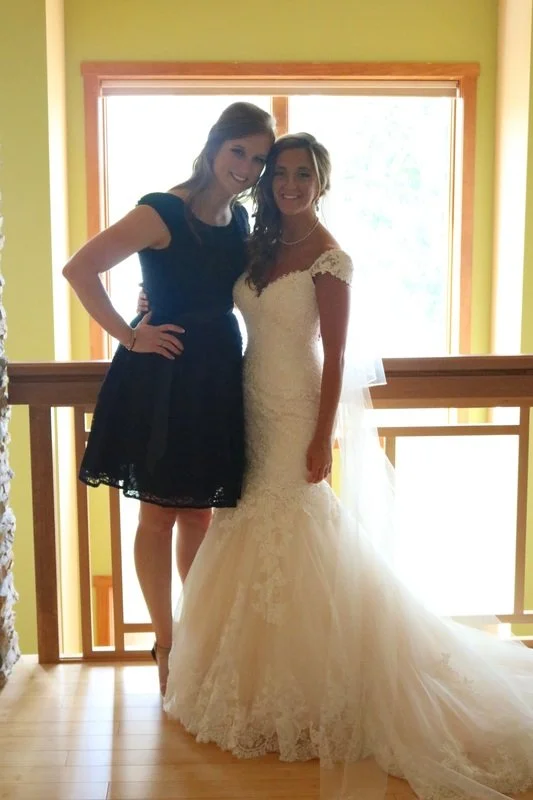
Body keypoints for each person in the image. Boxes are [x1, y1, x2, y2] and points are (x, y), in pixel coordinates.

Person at [163, 133, 533, 800]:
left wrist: (321, 437)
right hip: (247, 401)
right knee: (242, 521)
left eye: (303, 175)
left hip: (296, 408)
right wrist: (148, 306)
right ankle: (247, 681)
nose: (289, 184)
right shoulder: (259, 244)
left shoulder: (330, 258)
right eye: (280, 173)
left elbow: (335, 356)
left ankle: (316, 688)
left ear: (321, 183)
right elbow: (203, 289)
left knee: (297, 525)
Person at [63, 102, 275, 694]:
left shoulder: (238, 218)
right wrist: (130, 334)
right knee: (157, 516)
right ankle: (166, 643)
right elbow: (79, 269)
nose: (247, 167)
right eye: (239, 151)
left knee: (200, 513)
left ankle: (196, 637)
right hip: (164, 372)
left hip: (216, 372)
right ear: (214, 146)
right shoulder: (161, 210)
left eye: (258, 159)